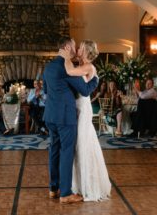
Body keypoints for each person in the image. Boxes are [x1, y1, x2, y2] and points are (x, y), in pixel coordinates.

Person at [43, 37, 99, 204]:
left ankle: (53, 188)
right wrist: (95, 79)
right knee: (67, 152)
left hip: (50, 116)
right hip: (65, 117)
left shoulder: (49, 67)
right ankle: (66, 193)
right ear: (67, 47)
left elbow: (46, 90)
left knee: (54, 149)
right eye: (74, 47)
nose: (75, 50)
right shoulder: (67, 67)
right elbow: (84, 89)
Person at [59, 39, 111, 201]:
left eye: (80, 48)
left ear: (87, 51)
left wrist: (66, 56)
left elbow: (69, 72)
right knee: (77, 145)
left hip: (83, 108)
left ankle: (88, 186)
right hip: (77, 107)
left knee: (82, 144)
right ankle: (78, 185)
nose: (78, 50)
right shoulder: (83, 65)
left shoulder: (89, 67)